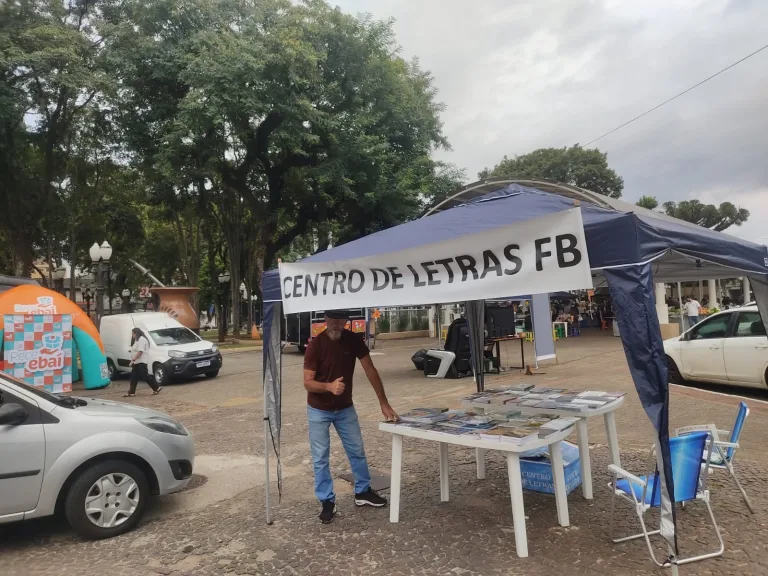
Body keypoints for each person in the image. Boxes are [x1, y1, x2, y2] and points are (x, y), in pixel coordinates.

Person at [303, 309, 399, 524]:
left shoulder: (352, 339)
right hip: (318, 409)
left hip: (345, 407)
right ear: (325, 320)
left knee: (357, 450)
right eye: (332, 319)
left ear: (347, 321)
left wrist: (383, 402)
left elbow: (370, 369)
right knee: (320, 457)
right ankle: (327, 500)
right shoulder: (316, 345)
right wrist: (329, 386)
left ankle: (363, 492)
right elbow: (307, 382)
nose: (337, 323)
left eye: (341, 319)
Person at [124, 327, 161, 397]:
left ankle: (156, 387)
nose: (132, 336)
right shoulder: (137, 340)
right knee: (133, 377)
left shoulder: (142, 340)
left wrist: (133, 359)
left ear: (136, 333)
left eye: (133, 334)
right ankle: (131, 392)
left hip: (141, 361)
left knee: (145, 376)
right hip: (137, 362)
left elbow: (140, 351)